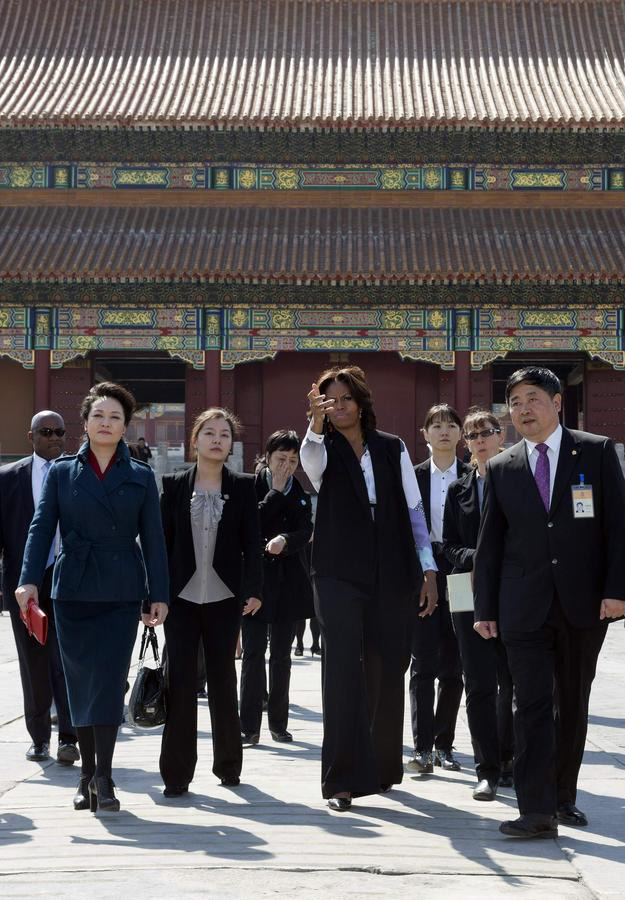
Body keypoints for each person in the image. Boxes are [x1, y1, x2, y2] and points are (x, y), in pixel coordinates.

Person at [474, 366, 625, 839]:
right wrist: (485, 608)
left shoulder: (596, 451)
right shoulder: (502, 466)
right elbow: (490, 543)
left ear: (557, 403)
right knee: (530, 704)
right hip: (523, 604)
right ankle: (536, 810)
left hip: (584, 603)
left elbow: (619, 527)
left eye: (533, 399)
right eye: (515, 401)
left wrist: (617, 590)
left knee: (572, 703)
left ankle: (563, 797)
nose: (523, 409)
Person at [16, 382, 168, 813]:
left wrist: (158, 593)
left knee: (108, 683)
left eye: (115, 417)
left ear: (125, 427)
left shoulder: (140, 475)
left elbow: (154, 538)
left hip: (121, 590)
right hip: (73, 589)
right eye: (98, 415)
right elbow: (41, 528)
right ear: (84, 423)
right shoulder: (62, 472)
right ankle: (87, 776)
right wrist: (29, 580)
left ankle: (104, 774)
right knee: (80, 684)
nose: (106, 423)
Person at [301, 366, 437, 811]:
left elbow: (415, 510)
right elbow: (311, 463)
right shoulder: (321, 447)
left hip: (391, 563)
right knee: (342, 668)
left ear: (361, 403)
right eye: (330, 401)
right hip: (337, 567)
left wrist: (428, 570)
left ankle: (379, 766)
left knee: (387, 664)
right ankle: (341, 779)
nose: (339, 407)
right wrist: (314, 423)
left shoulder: (391, 447)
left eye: (346, 399)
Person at [159, 408, 263, 797]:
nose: (217, 440)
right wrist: (154, 595)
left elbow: (252, 542)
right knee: (180, 682)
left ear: (231, 444)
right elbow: (161, 544)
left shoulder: (244, 486)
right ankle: (176, 774)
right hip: (180, 599)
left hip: (224, 597)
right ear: (195, 440)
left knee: (223, 680)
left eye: (224, 435)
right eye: (209, 433)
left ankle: (229, 765)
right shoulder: (173, 485)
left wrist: (254, 589)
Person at [443, 408, 514, 801]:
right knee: (478, 682)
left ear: (501, 436)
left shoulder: (517, 478)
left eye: (486, 432)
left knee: (513, 681)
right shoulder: (458, 489)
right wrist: (478, 559)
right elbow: (449, 545)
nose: (480, 440)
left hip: (511, 587)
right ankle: (486, 769)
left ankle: (509, 758)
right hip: (464, 587)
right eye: (472, 435)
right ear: (465, 443)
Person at [0, 411, 77, 765]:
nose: (54, 438)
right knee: (33, 664)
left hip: (68, 582)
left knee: (67, 661)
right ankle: (39, 738)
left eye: (60, 432)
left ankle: (69, 737)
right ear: (30, 437)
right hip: (24, 587)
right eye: (46, 432)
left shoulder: (76, 474)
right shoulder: (7, 478)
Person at [240, 430, 314, 744]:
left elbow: (306, 531)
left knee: (282, 657)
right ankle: (248, 726)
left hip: (289, 582)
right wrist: (275, 492)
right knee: (253, 654)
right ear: (268, 457)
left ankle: (278, 723)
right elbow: (249, 525)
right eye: (281, 458)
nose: (286, 465)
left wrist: (285, 540)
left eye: (293, 460)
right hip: (255, 582)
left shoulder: (301, 492)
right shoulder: (250, 486)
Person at [407, 405, 468, 775]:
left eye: (450, 425)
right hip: (423, 572)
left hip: (462, 573)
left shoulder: (473, 474)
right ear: (424, 433)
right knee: (423, 662)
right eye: (436, 425)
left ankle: (444, 745)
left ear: (460, 433)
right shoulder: (412, 477)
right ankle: (422, 747)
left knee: (455, 663)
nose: (444, 431)